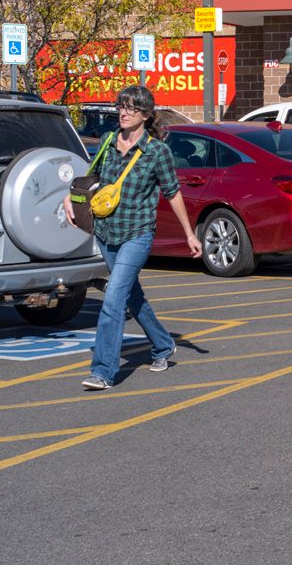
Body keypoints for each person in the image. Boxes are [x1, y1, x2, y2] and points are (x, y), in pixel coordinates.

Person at [76, 84, 202, 390]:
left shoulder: (157, 151)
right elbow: (91, 177)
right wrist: (72, 199)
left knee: (114, 298)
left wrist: (190, 234)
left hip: (137, 234)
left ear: (145, 115)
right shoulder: (108, 141)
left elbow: (172, 194)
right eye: (121, 106)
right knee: (132, 294)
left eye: (131, 108)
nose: (123, 112)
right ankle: (161, 344)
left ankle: (103, 371)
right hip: (106, 232)